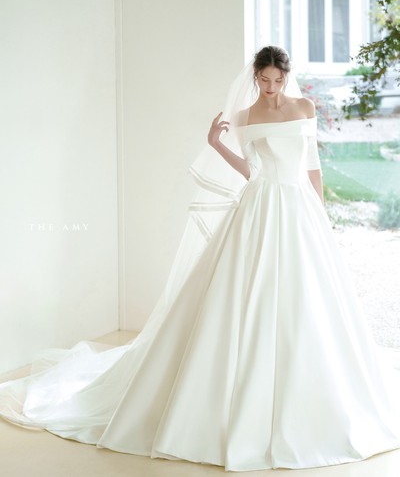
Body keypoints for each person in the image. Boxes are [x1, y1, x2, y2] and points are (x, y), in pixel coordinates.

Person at [1, 45, 400, 472]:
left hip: (300, 209)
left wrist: (320, 214)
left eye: (277, 80)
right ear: (255, 76)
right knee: (244, 297)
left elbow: (312, 165)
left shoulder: (304, 108)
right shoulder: (245, 116)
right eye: (264, 80)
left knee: (309, 300)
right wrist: (215, 144)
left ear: (287, 76)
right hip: (260, 208)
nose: (270, 87)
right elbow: (252, 171)